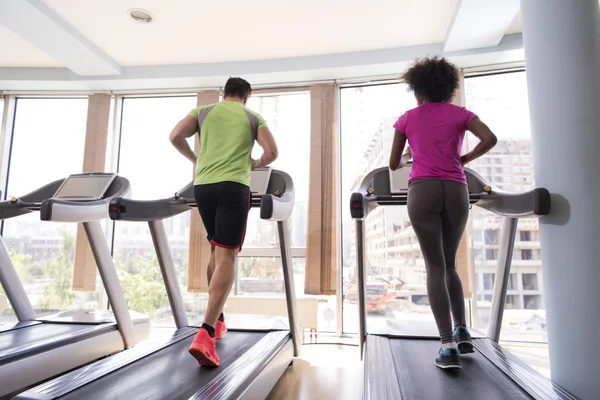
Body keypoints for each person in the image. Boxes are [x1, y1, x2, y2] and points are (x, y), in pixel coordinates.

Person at [389, 57, 497, 370]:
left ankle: (447, 344)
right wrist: (463, 158)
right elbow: (490, 139)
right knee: (450, 264)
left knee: (434, 267)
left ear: (417, 90)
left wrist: (412, 153)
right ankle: (462, 329)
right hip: (456, 190)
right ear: (448, 88)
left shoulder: (407, 118)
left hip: (422, 190)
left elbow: (394, 164)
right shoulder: (461, 114)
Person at [169, 77, 278, 367]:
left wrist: (197, 159)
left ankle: (217, 321)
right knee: (228, 253)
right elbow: (271, 153)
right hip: (233, 186)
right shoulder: (253, 116)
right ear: (246, 97)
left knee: (216, 249)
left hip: (203, 186)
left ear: (224, 93)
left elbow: (174, 136)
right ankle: (205, 333)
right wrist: (252, 164)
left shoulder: (203, 112)